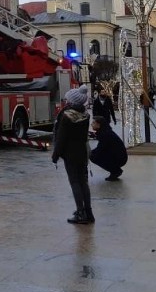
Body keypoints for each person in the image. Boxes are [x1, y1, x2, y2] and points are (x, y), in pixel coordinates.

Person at [52, 86, 93, 224]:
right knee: (83, 182)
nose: (65, 101)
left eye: (67, 99)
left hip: (70, 154)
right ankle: (88, 212)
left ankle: (80, 213)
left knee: (74, 182)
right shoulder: (86, 115)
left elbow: (61, 138)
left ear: (71, 101)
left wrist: (55, 155)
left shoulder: (67, 116)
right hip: (82, 152)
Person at [90, 115, 128, 181]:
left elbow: (100, 149)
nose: (91, 124)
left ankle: (115, 171)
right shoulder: (105, 131)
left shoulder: (105, 134)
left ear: (99, 125)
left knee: (93, 156)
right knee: (94, 154)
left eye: (93, 123)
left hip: (119, 158)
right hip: (119, 156)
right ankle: (115, 170)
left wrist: (89, 153)